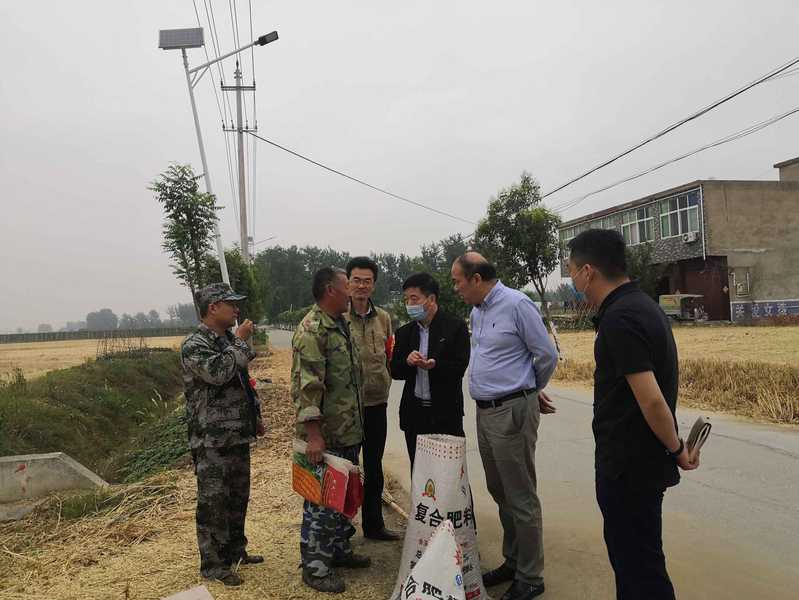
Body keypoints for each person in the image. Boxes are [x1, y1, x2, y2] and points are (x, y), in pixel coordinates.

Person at [567, 229, 699, 600]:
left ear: (588, 272)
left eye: (572, 271)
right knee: (636, 563)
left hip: (629, 467)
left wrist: (677, 449)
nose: (572, 281)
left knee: (640, 570)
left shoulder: (620, 318)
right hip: (637, 463)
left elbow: (651, 400)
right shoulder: (642, 306)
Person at [451, 253, 558, 600]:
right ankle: (514, 561)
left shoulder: (517, 305)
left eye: (457, 281)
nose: (455, 288)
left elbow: (546, 355)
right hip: (486, 412)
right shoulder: (477, 312)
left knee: (520, 495)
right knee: (500, 491)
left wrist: (530, 390)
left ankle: (531, 576)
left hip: (511, 411)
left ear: (476, 278)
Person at [180, 282, 266, 587]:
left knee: (238, 496)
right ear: (213, 307)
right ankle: (214, 564)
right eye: (231, 304)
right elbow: (218, 373)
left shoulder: (227, 339)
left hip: (237, 433)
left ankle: (236, 550)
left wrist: (254, 416)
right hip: (211, 439)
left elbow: (243, 379)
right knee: (213, 502)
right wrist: (240, 341)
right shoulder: (195, 344)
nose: (236, 309)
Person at [292, 267, 371, 593]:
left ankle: (338, 550)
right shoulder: (313, 329)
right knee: (322, 503)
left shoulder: (340, 323)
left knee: (343, 499)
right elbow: (307, 388)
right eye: (346, 285)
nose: (352, 290)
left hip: (347, 430)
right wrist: (314, 435)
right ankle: (315, 568)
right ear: (330, 290)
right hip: (326, 435)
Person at [343, 257, 400, 541]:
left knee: (374, 467)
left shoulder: (384, 319)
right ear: (348, 283)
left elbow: (390, 354)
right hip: (346, 406)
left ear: (374, 285)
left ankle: (374, 525)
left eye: (367, 281)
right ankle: (342, 529)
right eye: (357, 280)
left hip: (377, 403)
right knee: (346, 467)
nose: (362, 286)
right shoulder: (338, 317)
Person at [390, 272, 470, 468]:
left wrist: (435, 365)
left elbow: (459, 367)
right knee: (419, 472)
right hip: (414, 415)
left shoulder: (455, 327)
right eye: (406, 299)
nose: (409, 304)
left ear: (431, 299)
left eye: (414, 298)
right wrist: (407, 362)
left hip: (445, 414)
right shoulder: (404, 333)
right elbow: (395, 371)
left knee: (449, 473)